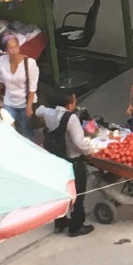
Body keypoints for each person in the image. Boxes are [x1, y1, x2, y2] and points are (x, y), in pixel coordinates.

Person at [39, 91, 100, 237]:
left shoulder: (47, 112)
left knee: (60, 192)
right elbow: (79, 142)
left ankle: (60, 223)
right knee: (78, 194)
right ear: (69, 103)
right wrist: (90, 151)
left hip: (56, 160)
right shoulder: (71, 118)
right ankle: (76, 226)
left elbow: (38, 110)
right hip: (72, 160)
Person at [0, 36, 39, 137]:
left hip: (24, 102)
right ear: (5, 50)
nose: (14, 50)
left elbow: (32, 87)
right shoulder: (1, 61)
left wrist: (29, 106)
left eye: (16, 46)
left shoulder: (30, 63)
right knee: (8, 129)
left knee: (26, 130)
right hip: (9, 101)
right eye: (10, 48)